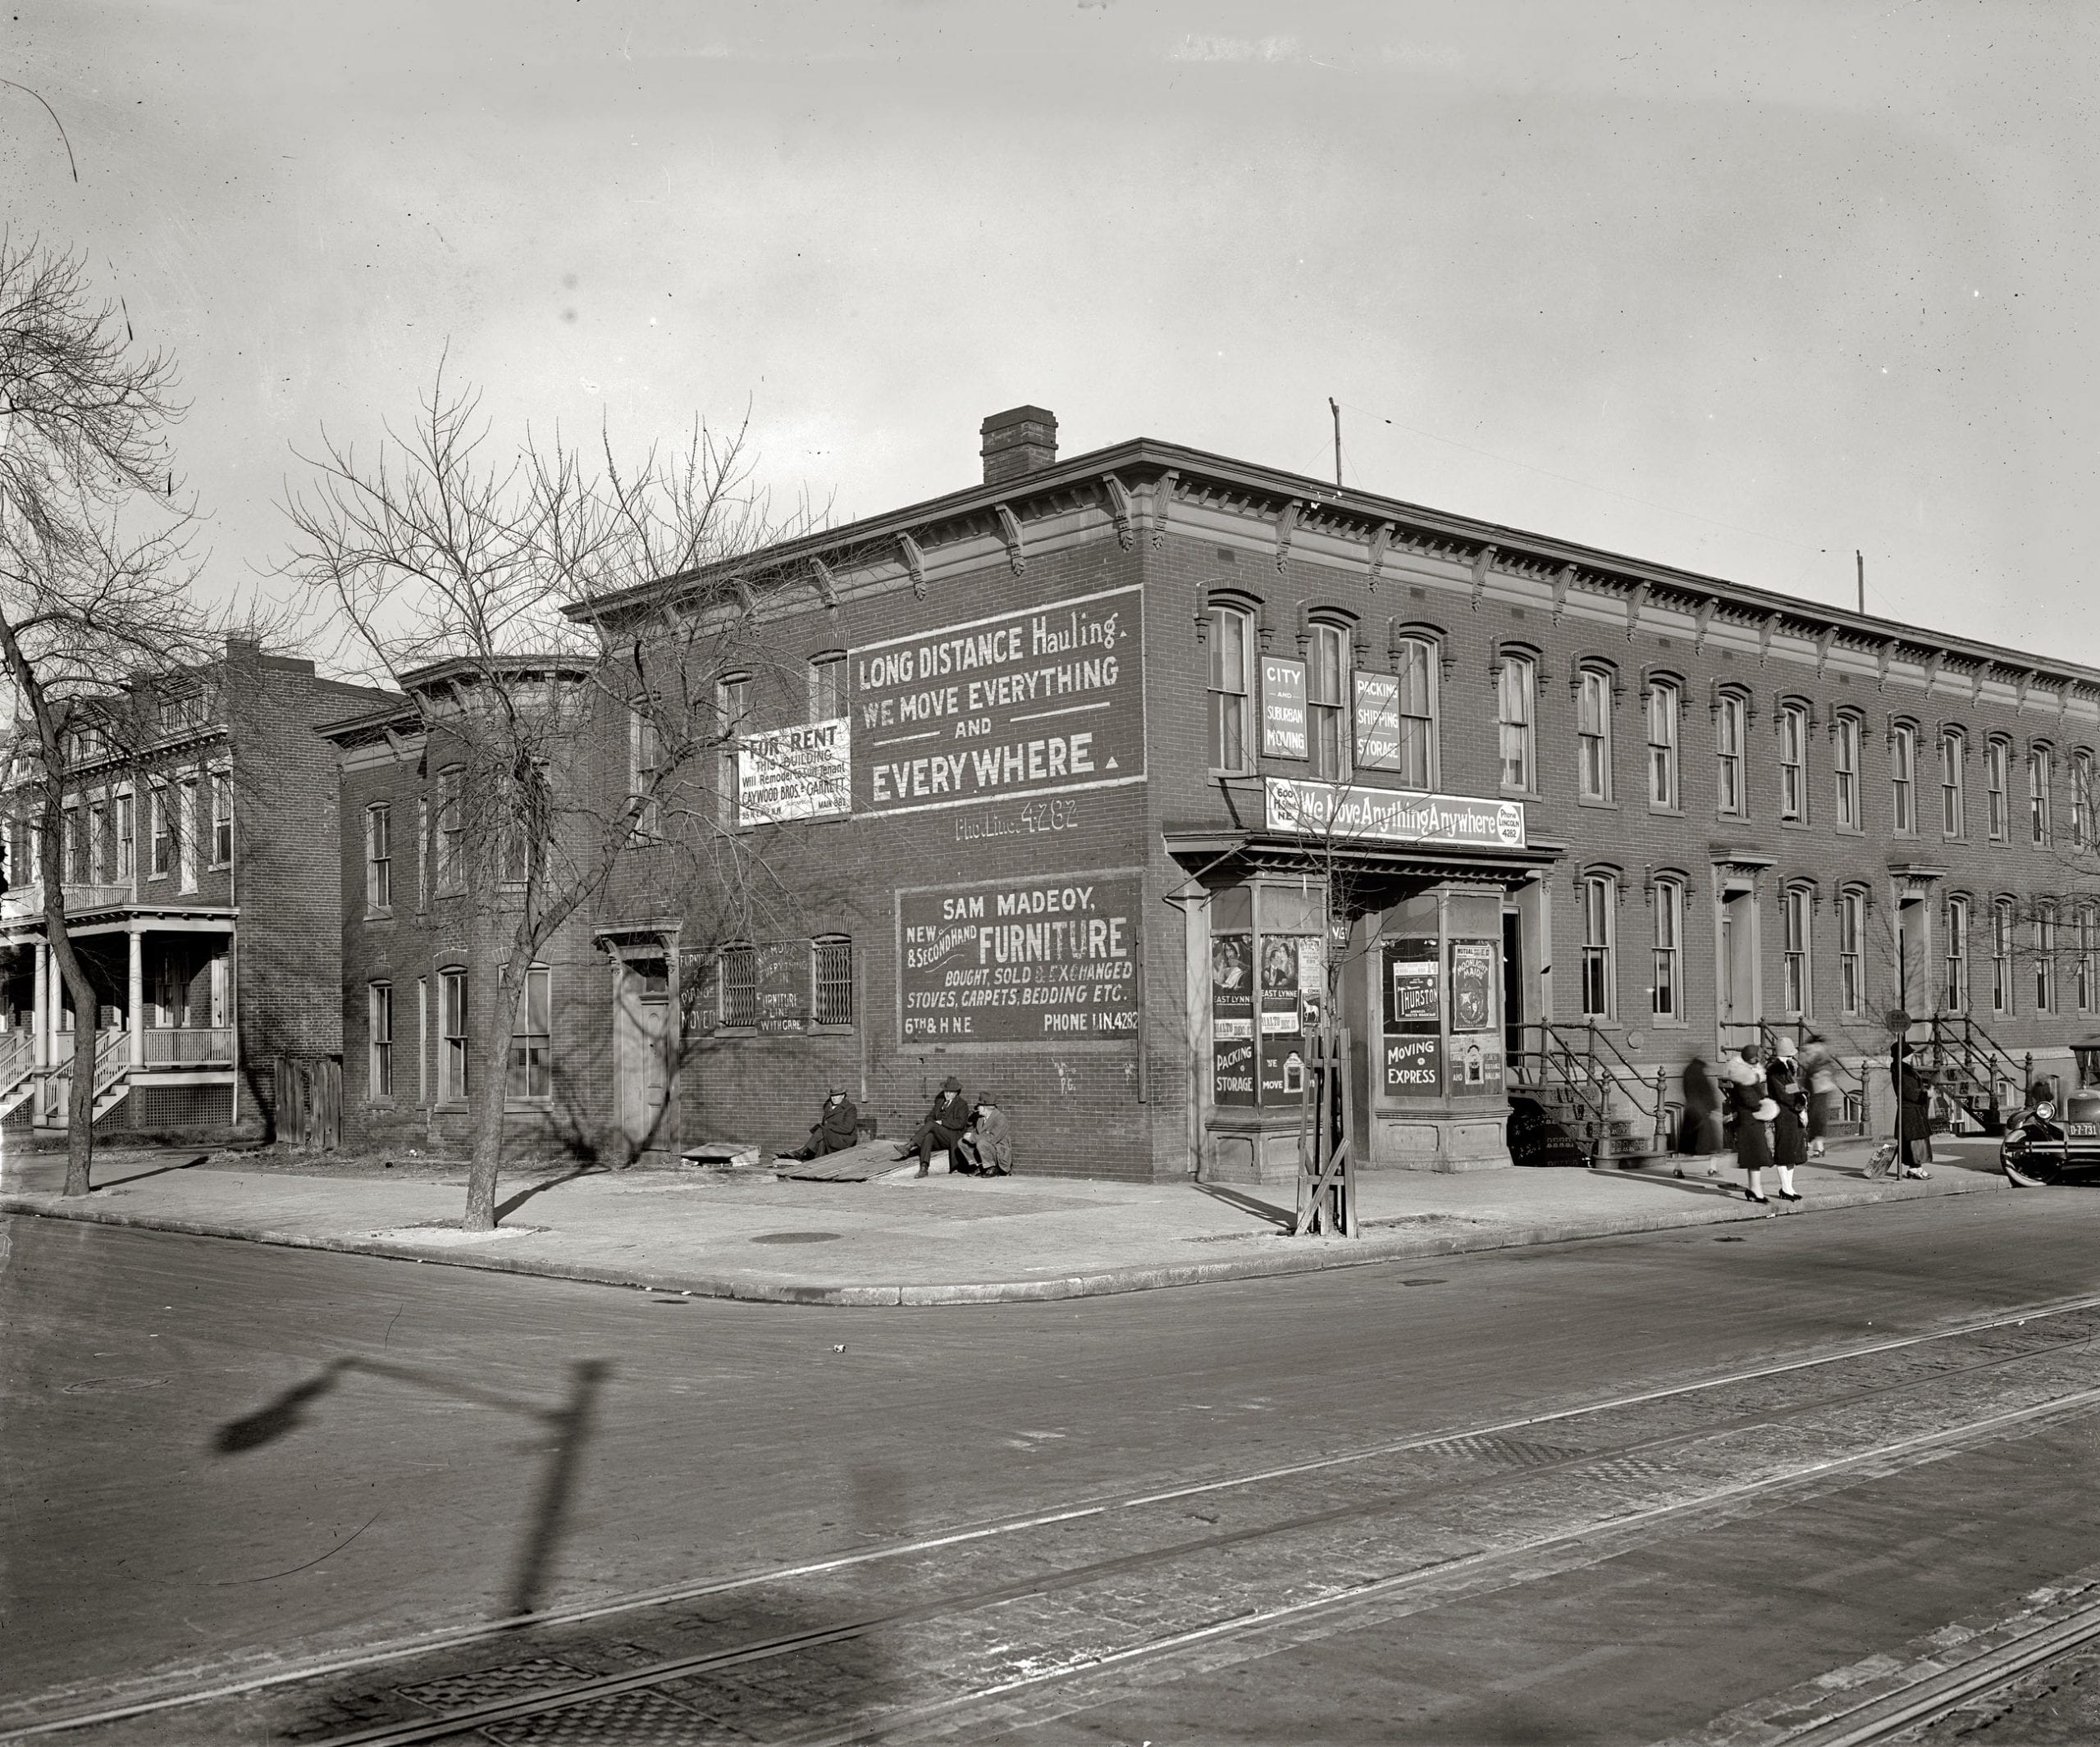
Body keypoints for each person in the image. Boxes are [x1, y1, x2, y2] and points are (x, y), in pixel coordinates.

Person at [1723, 1045, 1774, 1204]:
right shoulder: (1743, 1077)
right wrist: (1766, 1106)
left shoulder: (1752, 1074)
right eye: (1755, 1058)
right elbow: (1749, 1099)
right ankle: (1755, 1191)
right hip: (1749, 1120)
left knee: (1755, 1159)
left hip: (1754, 1120)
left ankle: (1754, 1190)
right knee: (1755, 1157)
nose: (1758, 1060)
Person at [903, 1076, 971, 1179]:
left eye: (951, 1092)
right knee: (928, 1136)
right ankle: (924, 1168)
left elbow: (960, 1124)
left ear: (956, 1093)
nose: (948, 1094)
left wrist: (941, 1122)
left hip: (952, 1137)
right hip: (940, 1137)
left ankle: (909, 1145)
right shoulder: (940, 1102)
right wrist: (935, 1123)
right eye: (946, 1091)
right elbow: (929, 1117)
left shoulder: (962, 1104)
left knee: (932, 1125)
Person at [1765, 1039, 1807, 1202]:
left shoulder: (1785, 1068)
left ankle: (1789, 1187)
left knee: (1791, 1153)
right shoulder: (1775, 1071)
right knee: (1784, 1153)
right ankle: (1785, 1188)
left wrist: (1801, 1096)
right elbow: (1782, 1094)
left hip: (1791, 1113)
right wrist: (1800, 1102)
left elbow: (1790, 1089)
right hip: (1784, 1114)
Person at [1892, 1039, 1933, 1179]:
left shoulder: (1904, 1068)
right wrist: (1926, 1093)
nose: (1911, 1057)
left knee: (1918, 1140)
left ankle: (1918, 1167)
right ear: (1902, 1056)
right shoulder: (1901, 1071)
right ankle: (1914, 1168)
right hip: (1909, 1110)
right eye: (1908, 1055)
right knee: (1914, 1141)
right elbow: (1909, 1092)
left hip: (1913, 1110)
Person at [1798, 1029, 1838, 1159]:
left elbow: (1823, 1072)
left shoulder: (1821, 1059)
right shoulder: (1819, 1057)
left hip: (1820, 1091)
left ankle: (1818, 1148)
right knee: (1815, 1119)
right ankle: (1817, 1148)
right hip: (1816, 1091)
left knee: (1817, 1118)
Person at [788, 1089, 860, 1161]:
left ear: (843, 1096)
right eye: (832, 1096)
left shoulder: (850, 1108)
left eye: (837, 1095)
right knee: (822, 1135)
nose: (834, 1098)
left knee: (823, 1130)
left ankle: (803, 1151)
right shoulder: (828, 1107)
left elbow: (848, 1128)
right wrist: (827, 1129)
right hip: (830, 1136)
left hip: (844, 1139)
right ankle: (815, 1159)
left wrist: (828, 1128)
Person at [1680, 1056, 1721, 1178]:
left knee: (1686, 1146)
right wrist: (1713, 1108)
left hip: (1691, 1111)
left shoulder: (1687, 1072)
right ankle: (1712, 1169)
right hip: (1703, 1114)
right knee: (1713, 1145)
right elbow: (1707, 1092)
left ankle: (1678, 1169)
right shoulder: (1700, 1074)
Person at [957, 1097, 1014, 1176]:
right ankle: (979, 1166)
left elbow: (992, 1139)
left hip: (998, 1152)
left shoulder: (1001, 1119)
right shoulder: (981, 1119)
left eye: (979, 1106)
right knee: (962, 1142)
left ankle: (992, 1167)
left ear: (985, 1108)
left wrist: (973, 1137)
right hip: (985, 1147)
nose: (977, 1108)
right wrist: (969, 1136)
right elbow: (977, 1133)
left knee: (981, 1143)